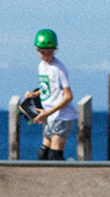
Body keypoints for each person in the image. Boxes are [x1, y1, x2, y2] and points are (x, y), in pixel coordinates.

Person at [22, 29, 77, 161]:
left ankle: (65, 178)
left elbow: (68, 96)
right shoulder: (42, 66)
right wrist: (34, 94)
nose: (47, 56)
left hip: (62, 116)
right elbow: (48, 87)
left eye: (50, 52)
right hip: (49, 115)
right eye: (43, 53)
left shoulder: (59, 69)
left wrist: (48, 112)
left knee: (54, 156)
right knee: (43, 154)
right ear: (37, 50)